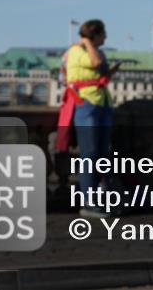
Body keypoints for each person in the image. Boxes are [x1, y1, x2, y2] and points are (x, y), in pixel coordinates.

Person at [59, 19, 119, 218]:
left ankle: (103, 200)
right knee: (90, 155)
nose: (106, 37)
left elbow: (100, 71)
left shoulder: (92, 50)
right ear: (93, 35)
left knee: (102, 155)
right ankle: (88, 203)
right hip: (86, 104)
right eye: (103, 34)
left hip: (101, 104)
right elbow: (95, 63)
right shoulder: (77, 51)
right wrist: (86, 43)